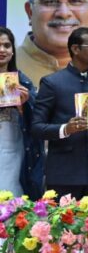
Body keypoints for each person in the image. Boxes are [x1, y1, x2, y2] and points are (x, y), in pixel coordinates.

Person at [31, 27, 88, 199]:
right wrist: (66, 129)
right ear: (75, 49)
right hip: (64, 174)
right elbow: (36, 127)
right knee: (64, 218)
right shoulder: (52, 83)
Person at [0, 27, 44, 199]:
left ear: (13, 51)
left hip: (15, 150)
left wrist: (24, 106)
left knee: (12, 199)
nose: (2, 50)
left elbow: (39, 121)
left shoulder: (23, 81)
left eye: (6, 45)